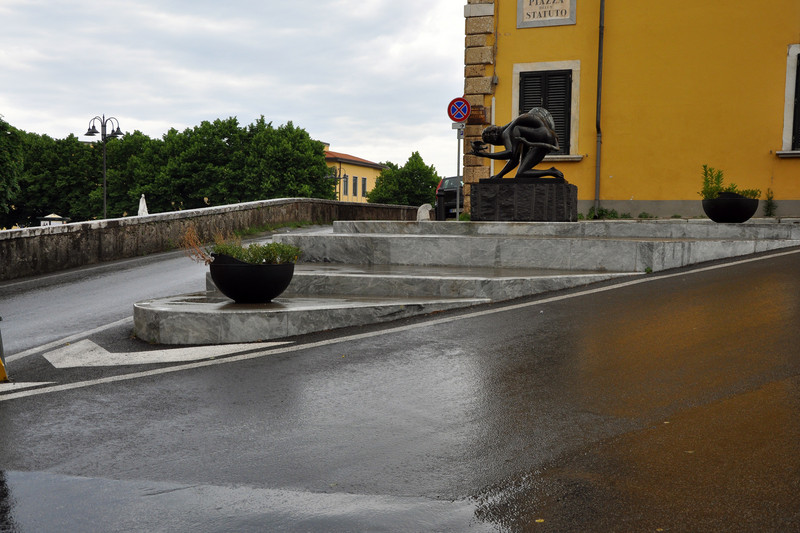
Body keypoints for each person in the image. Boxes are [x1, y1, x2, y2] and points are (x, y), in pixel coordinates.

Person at [470, 107, 564, 180]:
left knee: (521, 173)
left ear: (495, 136)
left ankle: (551, 171)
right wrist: (499, 175)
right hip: (544, 136)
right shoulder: (516, 131)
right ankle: (551, 171)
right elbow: (514, 160)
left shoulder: (508, 133)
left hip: (544, 137)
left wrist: (485, 155)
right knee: (520, 176)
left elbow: (510, 153)